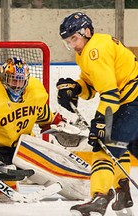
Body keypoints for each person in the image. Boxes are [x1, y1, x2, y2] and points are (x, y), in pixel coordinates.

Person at [0, 57, 91, 202]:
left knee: (56, 164)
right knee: (2, 187)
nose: (17, 85)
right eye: (13, 80)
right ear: (3, 78)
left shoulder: (35, 92)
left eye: (21, 80)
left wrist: (60, 125)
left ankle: (84, 185)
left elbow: (44, 116)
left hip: (21, 147)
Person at [57, 12, 137, 216]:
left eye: (74, 38)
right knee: (118, 145)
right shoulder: (89, 49)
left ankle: (100, 197)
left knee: (102, 147)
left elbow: (111, 95)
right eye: (68, 41)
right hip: (130, 101)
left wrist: (100, 121)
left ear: (86, 31)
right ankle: (122, 189)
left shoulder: (95, 51)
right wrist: (75, 88)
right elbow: (92, 87)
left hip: (132, 101)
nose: (73, 44)